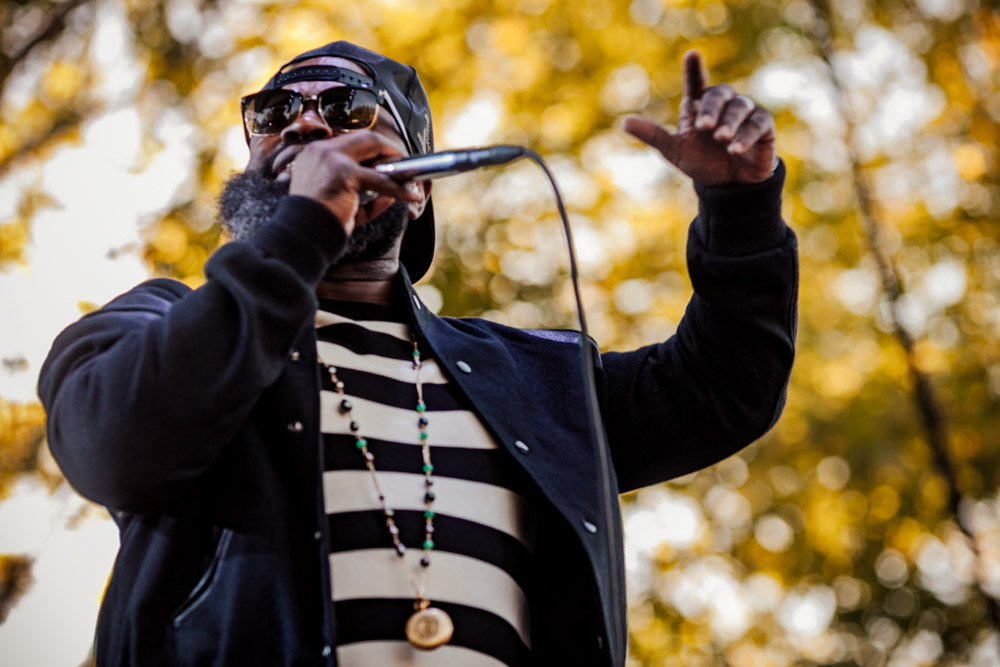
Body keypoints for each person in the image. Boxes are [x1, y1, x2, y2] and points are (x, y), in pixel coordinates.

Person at [38, 41, 797, 666]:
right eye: (273, 113)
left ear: (418, 186)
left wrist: (741, 209)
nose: (304, 125)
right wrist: (305, 227)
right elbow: (111, 446)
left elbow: (722, 390)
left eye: (346, 109)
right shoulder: (164, 325)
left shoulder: (535, 379)